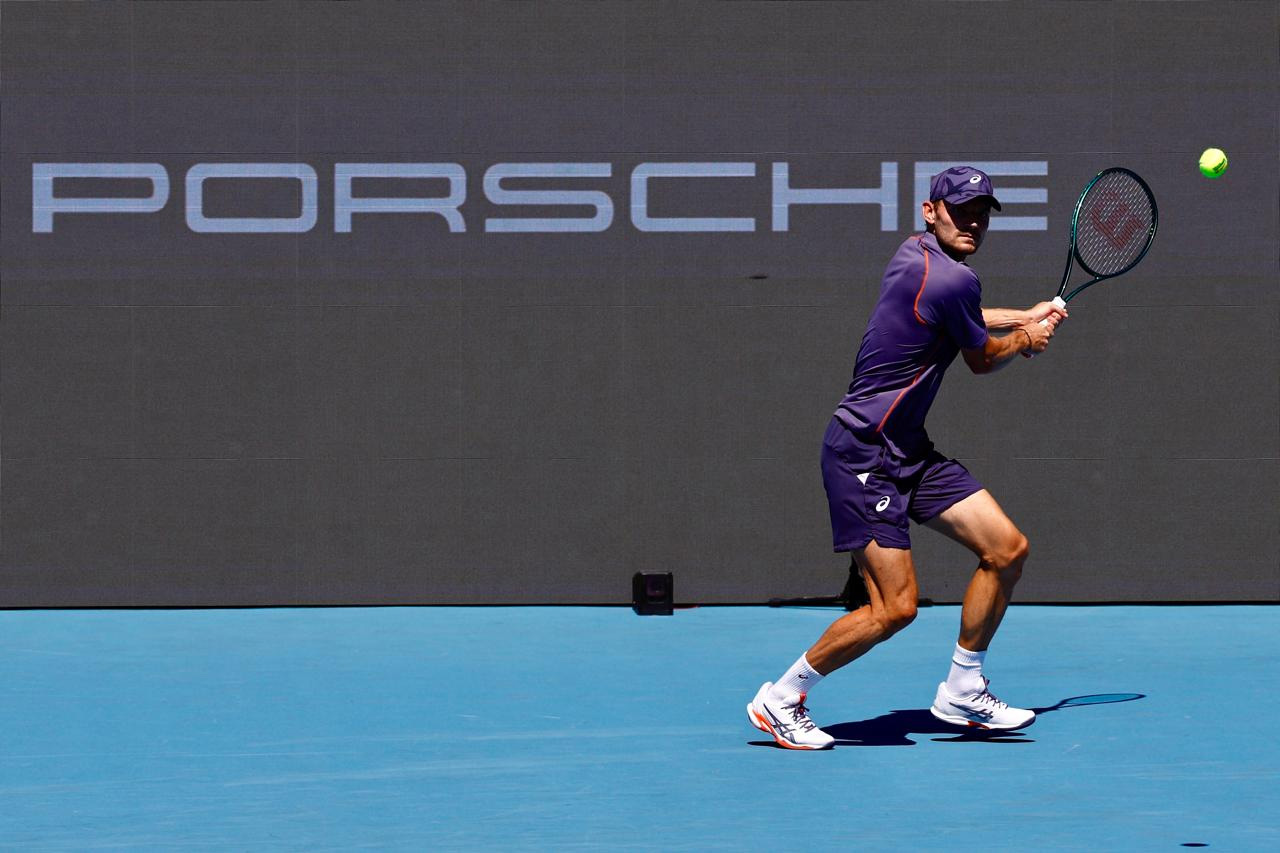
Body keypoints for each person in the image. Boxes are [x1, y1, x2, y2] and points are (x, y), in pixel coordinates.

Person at [747, 166, 1067, 750]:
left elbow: (962, 319)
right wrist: (1026, 339)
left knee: (1006, 549)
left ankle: (963, 690)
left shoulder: (915, 255)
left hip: (908, 450)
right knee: (894, 609)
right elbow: (981, 357)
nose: (973, 222)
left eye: (982, 213)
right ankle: (781, 698)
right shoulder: (951, 279)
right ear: (930, 210)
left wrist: (1024, 315)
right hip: (863, 453)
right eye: (960, 210)